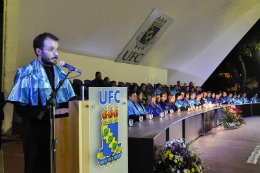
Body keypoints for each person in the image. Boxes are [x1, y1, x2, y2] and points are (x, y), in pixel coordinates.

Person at [6, 33, 75, 173]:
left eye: (57, 49)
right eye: (51, 49)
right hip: (36, 130)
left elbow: (69, 102)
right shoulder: (25, 73)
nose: (56, 53)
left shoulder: (62, 74)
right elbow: (21, 110)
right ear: (38, 51)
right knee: (37, 166)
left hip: (61, 130)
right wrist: (52, 113)